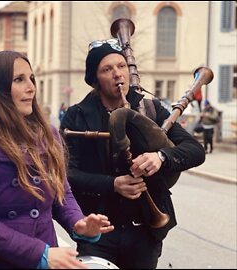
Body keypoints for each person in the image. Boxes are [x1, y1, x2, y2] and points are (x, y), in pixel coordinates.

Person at [0, 50, 114, 269]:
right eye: (19, 79)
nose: (31, 87)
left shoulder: (48, 134)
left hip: (43, 255)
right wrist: (39, 254)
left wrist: (78, 223)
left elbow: (62, 193)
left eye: (31, 78)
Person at [60, 40, 206, 268]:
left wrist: (160, 157)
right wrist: (113, 184)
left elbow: (195, 151)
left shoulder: (151, 109)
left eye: (121, 66)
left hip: (144, 230)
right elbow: (67, 174)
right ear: (95, 79)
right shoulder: (77, 116)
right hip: (99, 229)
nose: (118, 74)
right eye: (107, 69)